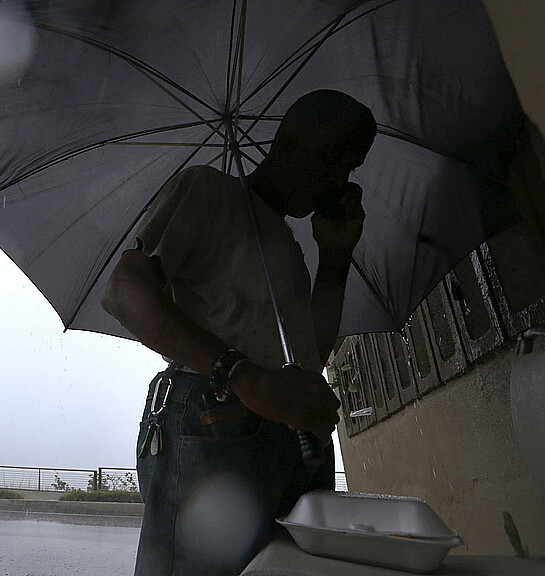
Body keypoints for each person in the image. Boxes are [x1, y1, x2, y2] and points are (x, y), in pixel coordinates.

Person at [101, 90, 377, 576]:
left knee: (287, 566)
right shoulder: (209, 192)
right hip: (218, 420)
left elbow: (308, 356)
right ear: (288, 142)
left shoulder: (288, 244)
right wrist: (242, 374)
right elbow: (127, 290)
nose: (337, 179)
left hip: (290, 433)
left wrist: (335, 256)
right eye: (330, 159)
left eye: (350, 167)